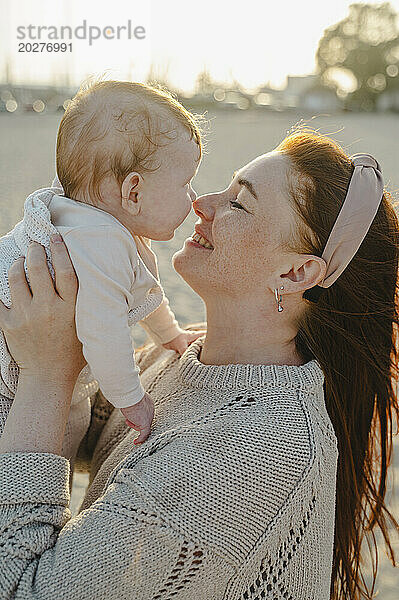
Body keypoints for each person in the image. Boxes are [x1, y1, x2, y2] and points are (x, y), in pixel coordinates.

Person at [0, 128, 398, 600]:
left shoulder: (258, 448)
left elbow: (21, 587)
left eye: (239, 203)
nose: (202, 204)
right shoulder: (188, 357)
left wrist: (46, 375)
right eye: (225, 187)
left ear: (295, 273)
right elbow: (86, 432)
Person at [0, 79, 205, 459]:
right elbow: (103, 331)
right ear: (133, 192)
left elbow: (143, 292)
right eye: (186, 183)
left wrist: (170, 334)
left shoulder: (80, 217)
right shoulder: (101, 243)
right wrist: (132, 400)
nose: (193, 198)